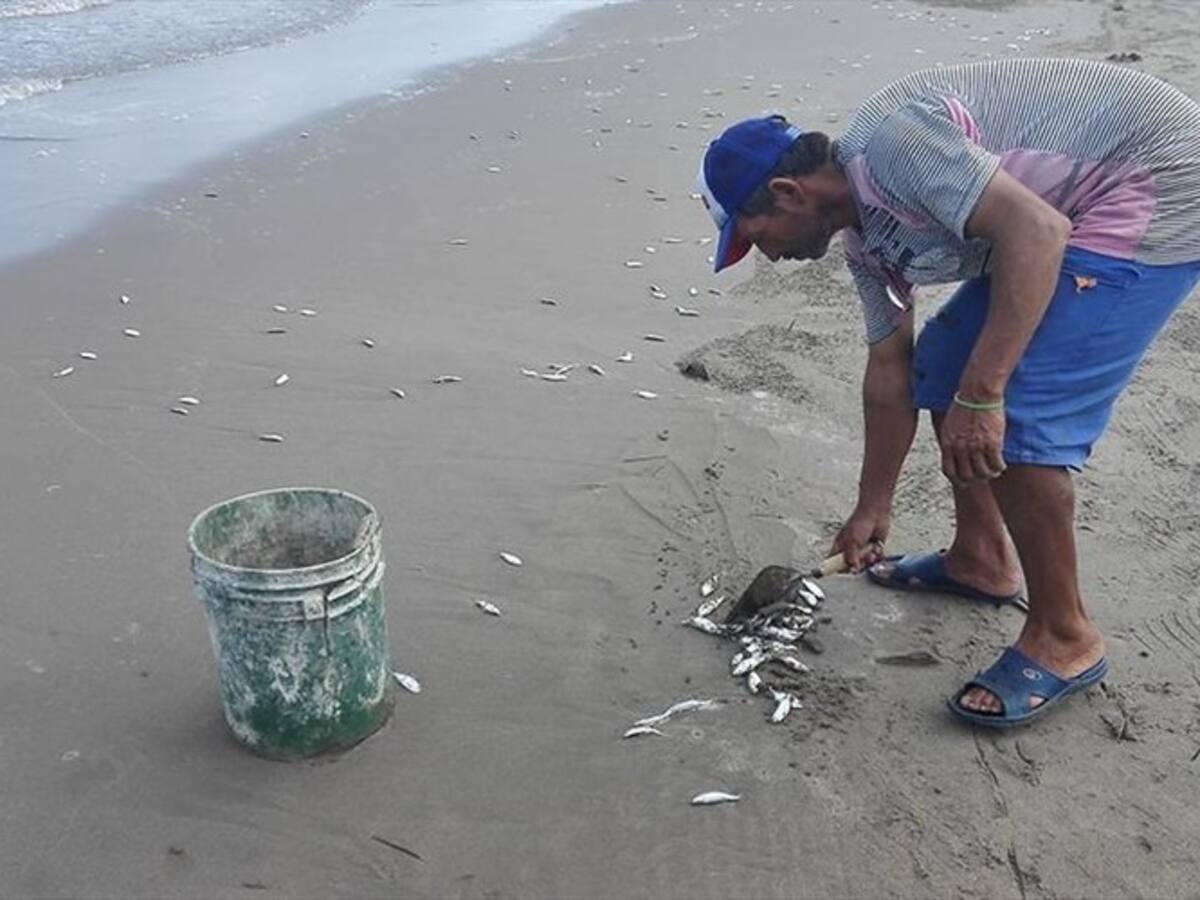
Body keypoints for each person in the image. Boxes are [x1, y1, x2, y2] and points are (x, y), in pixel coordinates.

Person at [696, 57, 1200, 727]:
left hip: (1157, 178)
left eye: (754, 237)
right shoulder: (866, 242)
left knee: (1016, 417)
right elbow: (891, 369)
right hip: (1063, 204)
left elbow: (1039, 233)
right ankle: (982, 559)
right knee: (941, 367)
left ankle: (1065, 636)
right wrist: (871, 507)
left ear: (787, 192)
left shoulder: (894, 150)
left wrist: (985, 396)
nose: (765, 255)